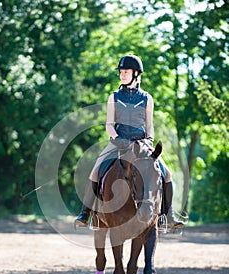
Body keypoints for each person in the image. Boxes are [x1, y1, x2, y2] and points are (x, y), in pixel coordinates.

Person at [75, 54, 184, 229]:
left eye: (126, 71)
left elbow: (150, 126)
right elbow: (109, 125)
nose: (122, 74)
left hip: (142, 144)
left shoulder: (147, 98)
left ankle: (168, 215)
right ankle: (86, 213)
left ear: (136, 74)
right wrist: (117, 139)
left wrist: (149, 140)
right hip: (119, 141)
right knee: (96, 169)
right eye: (121, 72)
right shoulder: (114, 97)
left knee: (167, 173)